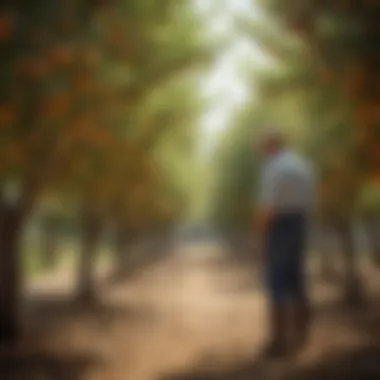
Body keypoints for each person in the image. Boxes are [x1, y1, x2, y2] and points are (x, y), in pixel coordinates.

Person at [255, 128, 315, 358]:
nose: (261, 152)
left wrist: (260, 234)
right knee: (297, 277)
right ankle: (302, 335)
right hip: (300, 222)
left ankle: (279, 341)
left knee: (277, 280)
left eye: (262, 147)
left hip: (279, 224)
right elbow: (310, 200)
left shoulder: (273, 168)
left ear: (271, 145)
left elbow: (267, 206)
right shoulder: (303, 165)